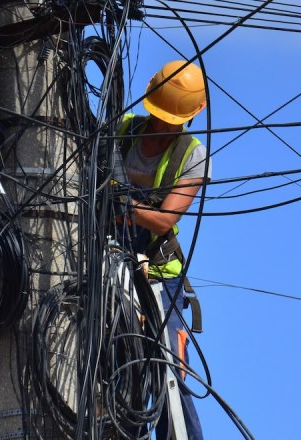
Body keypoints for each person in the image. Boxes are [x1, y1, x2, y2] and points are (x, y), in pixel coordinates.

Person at [117, 60, 210, 440]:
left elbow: (163, 221)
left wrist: (120, 207)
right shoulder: (123, 131)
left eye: (169, 119)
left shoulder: (192, 154)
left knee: (169, 370)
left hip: (158, 275)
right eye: (156, 116)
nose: (161, 124)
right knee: (116, 367)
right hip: (107, 262)